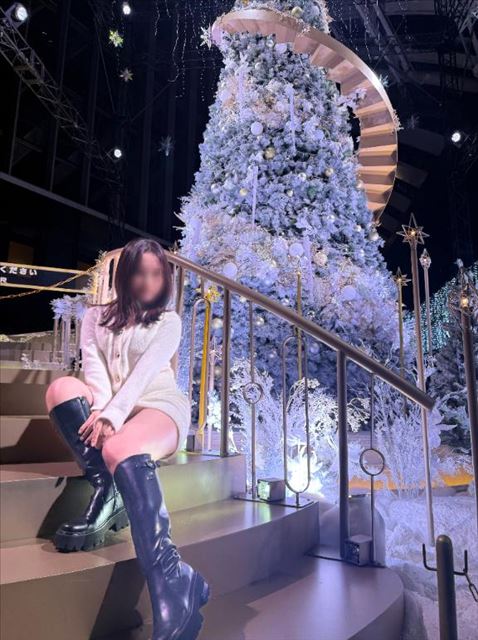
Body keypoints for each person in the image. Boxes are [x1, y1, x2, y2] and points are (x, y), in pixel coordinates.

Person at [44, 237, 210, 640]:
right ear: (125, 275)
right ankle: (109, 489)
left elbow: (142, 377)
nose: (148, 282)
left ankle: (173, 579)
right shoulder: (96, 316)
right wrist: (103, 409)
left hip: (158, 406)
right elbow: (95, 369)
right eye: (139, 273)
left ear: (165, 278)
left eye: (156, 274)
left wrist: (112, 417)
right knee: (61, 389)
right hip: (111, 405)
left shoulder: (168, 321)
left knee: (119, 446)